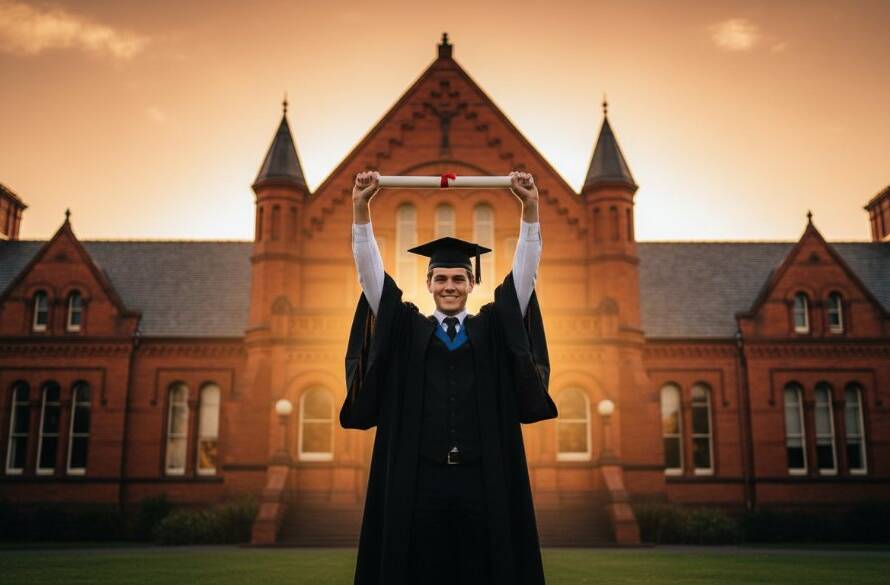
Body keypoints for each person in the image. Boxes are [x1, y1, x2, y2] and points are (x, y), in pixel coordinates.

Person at [341, 169, 557, 585]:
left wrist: (530, 209)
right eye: (441, 278)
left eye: (458, 278)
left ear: (473, 283)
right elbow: (370, 278)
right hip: (421, 480)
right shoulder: (407, 330)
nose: (450, 285)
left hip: (482, 479)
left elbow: (524, 279)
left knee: (485, 570)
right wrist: (360, 209)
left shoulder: (492, 330)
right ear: (428, 283)